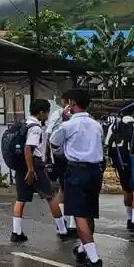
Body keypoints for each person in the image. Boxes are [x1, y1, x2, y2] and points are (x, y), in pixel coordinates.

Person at [49, 88, 107, 267]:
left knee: (79, 215)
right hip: (95, 171)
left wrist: (61, 120)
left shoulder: (68, 125)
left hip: (77, 171)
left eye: (65, 102)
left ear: (71, 103)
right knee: (89, 213)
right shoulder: (96, 125)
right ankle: (83, 250)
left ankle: (95, 260)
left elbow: (54, 142)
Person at [11, 99, 68, 243]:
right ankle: (63, 230)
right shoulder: (35, 128)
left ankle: (16, 232)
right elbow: (28, 148)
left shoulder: (24, 123)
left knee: (20, 199)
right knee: (50, 197)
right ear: (41, 112)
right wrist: (31, 170)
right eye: (47, 113)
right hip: (34, 165)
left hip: (21, 164)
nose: (48, 116)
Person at [108, 112, 134, 236]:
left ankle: (129, 220)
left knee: (127, 190)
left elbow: (108, 143)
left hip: (120, 164)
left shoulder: (114, 127)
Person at [45, 95, 76, 237]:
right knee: (70, 189)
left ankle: (64, 221)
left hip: (60, 156)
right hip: (68, 157)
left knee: (64, 189)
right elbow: (49, 136)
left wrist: (47, 155)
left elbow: (49, 136)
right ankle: (71, 224)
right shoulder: (60, 115)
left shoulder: (56, 115)